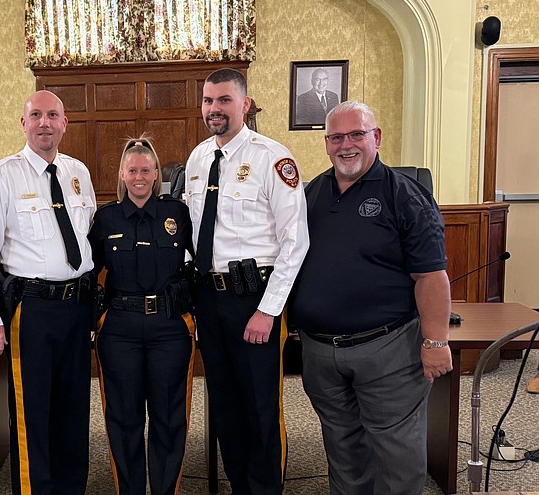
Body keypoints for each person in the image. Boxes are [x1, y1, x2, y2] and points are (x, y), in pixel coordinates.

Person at [288, 100, 452, 494]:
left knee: (397, 455)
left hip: (388, 348)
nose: (346, 145)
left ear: (375, 137)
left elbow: (431, 275)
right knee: (343, 449)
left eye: (356, 135)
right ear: (326, 144)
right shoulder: (312, 193)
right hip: (321, 351)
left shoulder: (405, 195)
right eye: (336, 137)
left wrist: (435, 340)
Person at [185, 68, 309, 494]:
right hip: (210, 299)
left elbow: (295, 241)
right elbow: (196, 231)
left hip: (254, 298)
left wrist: (268, 309)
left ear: (245, 104)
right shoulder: (198, 158)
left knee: (260, 407)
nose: (214, 109)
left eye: (223, 100)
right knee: (225, 407)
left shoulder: (273, 158)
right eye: (207, 101)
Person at [0, 90, 96, 494]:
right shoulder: (0, 177)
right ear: (23, 123)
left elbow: (86, 235)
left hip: (78, 307)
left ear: (64, 124)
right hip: (32, 309)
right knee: (31, 410)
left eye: (53, 115)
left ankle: (70, 487)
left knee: (74, 407)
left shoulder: (79, 172)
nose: (45, 122)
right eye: (36, 115)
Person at [89, 136, 196, 495]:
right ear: (121, 173)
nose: (139, 176)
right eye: (132, 169)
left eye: (146, 169)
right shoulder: (105, 218)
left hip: (169, 328)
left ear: (156, 174)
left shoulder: (177, 214)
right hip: (120, 330)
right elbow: (88, 273)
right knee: (123, 418)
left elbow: (201, 260)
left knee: (169, 418)